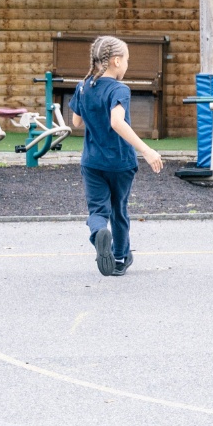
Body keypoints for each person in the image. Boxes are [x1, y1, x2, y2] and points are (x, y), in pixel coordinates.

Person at [67, 35, 165, 276]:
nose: (128, 65)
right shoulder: (120, 89)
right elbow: (116, 122)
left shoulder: (83, 86)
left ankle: (99, 232)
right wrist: (147, 150)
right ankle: (120, 257)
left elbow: (76, 122)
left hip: (92, 162)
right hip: (120, 163)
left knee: (98, 211)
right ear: (116, 61)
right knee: (119, 210)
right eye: (128, 60)